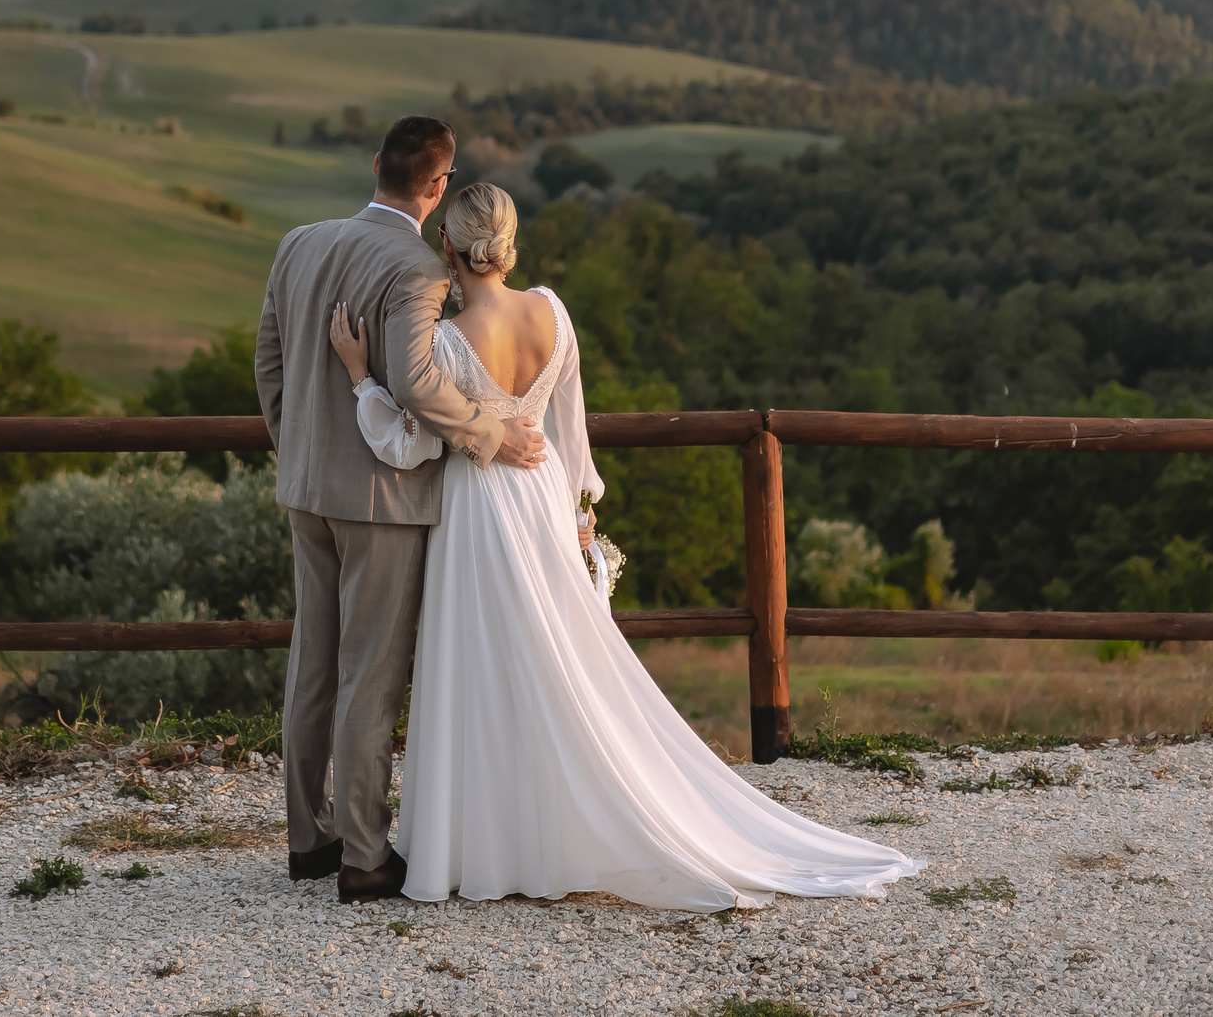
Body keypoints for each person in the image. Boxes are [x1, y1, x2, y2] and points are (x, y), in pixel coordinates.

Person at [327, 180, 924, 910]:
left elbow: (411, 444)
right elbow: (571, 421)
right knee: (554, 658)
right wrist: (579, 504)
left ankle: (489, 841)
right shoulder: (552, 312)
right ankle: (551, 827)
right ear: (509, 244)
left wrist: (359, 377)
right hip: (543, 491)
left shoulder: (447, 343)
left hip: (478, 507)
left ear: (447, 245)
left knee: (487, 663)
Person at [254, 115, 551, 903]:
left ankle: (307, 840)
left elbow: (269, 362)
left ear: (375, 163)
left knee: (313, 663)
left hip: (306, 488)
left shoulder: (298, 242)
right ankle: (363, 854)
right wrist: (492, 432)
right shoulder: (418, 268)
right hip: (382, 498)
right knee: (371, 674)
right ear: (438, 186)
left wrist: (299, 450)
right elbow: (418, 382)